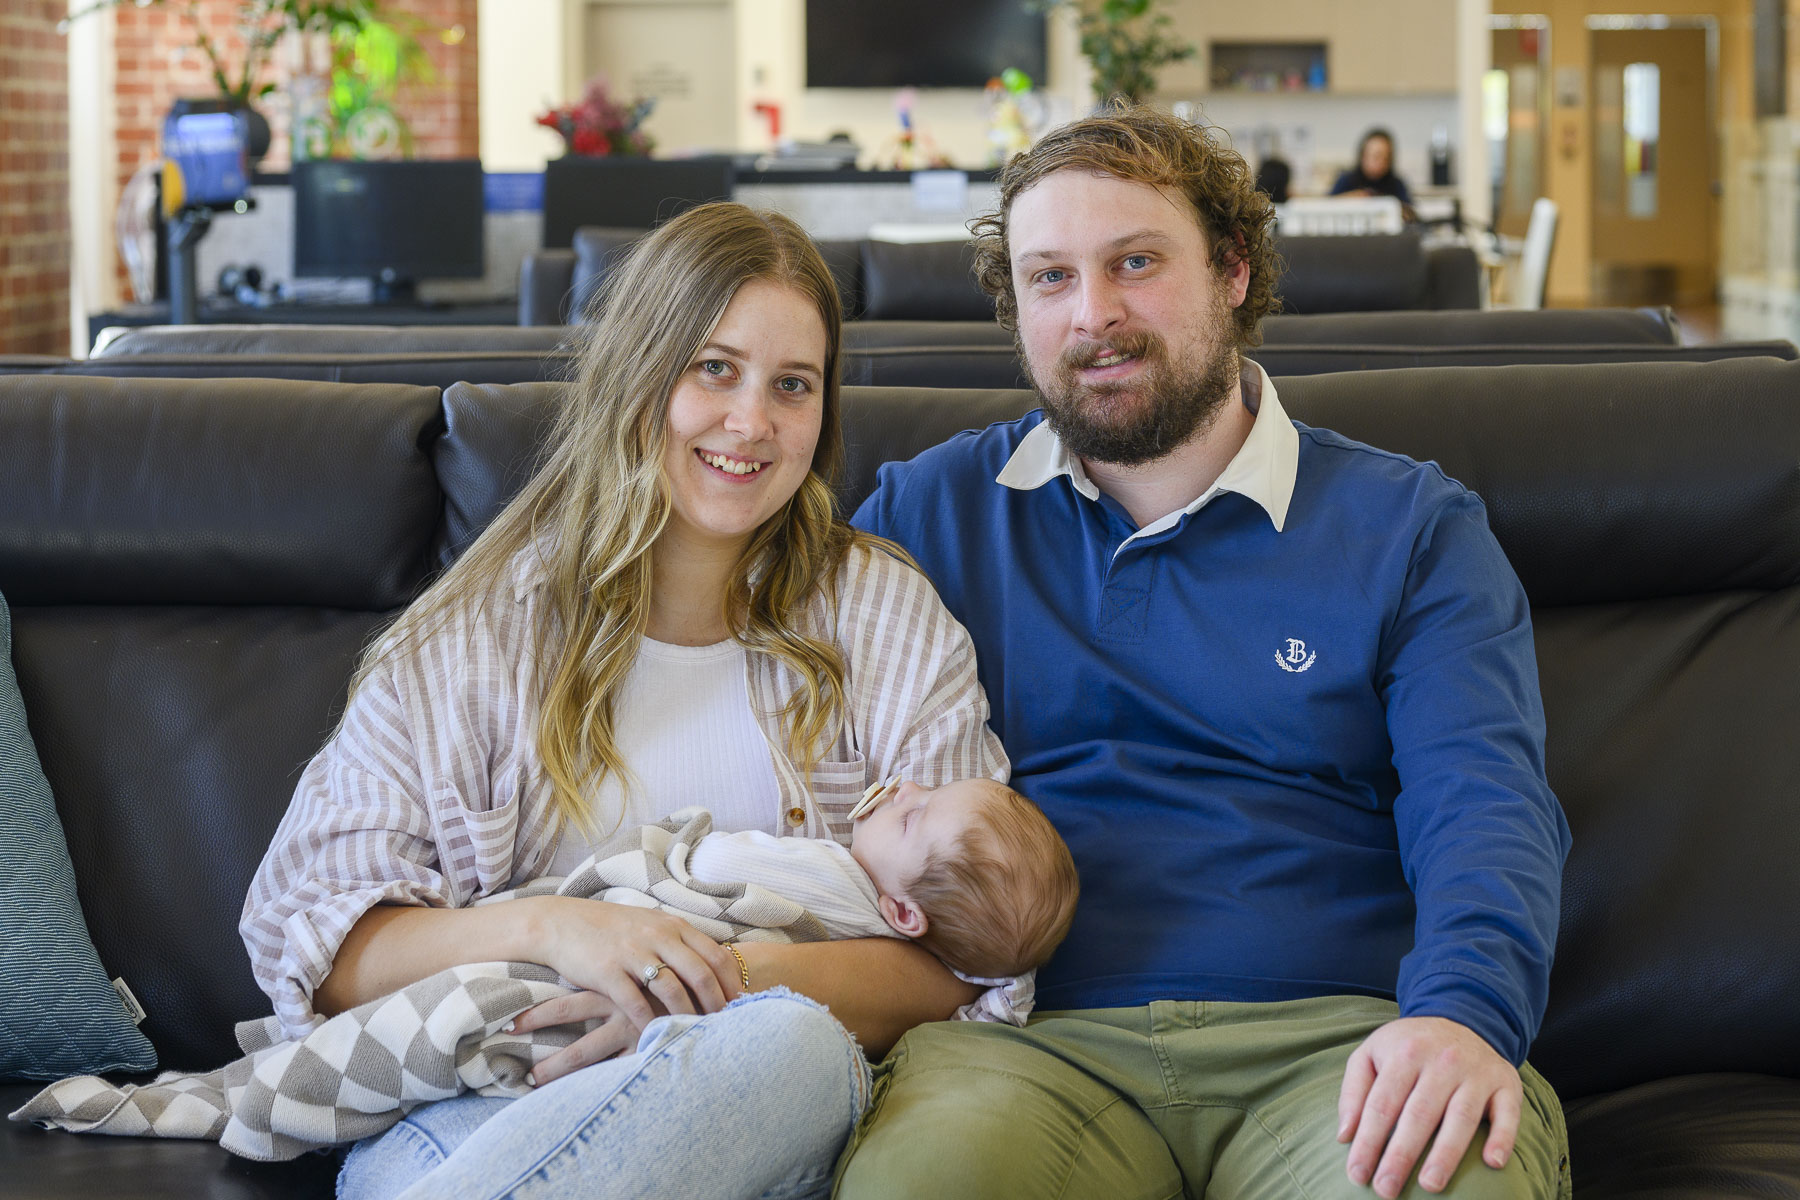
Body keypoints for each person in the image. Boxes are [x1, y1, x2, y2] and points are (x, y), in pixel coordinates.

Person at [839, 106, 1573, 1200]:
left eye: (1136, 262)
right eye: (1049, 278)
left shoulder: (1408, 525)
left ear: (1233, 271)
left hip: (1338, 1043)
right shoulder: (929, 512)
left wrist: (1465, 1014)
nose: (1095, 315)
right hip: (1024, 1049)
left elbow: (1485, 800)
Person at [240, 201, 1011, 1200]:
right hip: (488, 1093)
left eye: (793, 386)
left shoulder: (883, 616)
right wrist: (564, 932)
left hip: (751, 1096)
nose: (752, 423)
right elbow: (319, 940)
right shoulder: (482, 628)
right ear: (640, 372)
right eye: (713, 369)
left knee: (795, 1051)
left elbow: (965, 952)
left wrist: (703, 991)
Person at [690, 776, 1078, 978]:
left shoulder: (839, 882)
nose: (906, 788)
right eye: (931, 790)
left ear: (904, 914)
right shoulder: (894, 936)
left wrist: (679, 840)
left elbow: (713, 863)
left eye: (912, 817)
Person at [1332, 126, 1415, 206]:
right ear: (1363, 155)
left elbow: (1411, 211)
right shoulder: (1347, 180)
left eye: (1386, 157)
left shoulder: (1396, 184)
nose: (1381, 162)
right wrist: (1349, 198)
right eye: (1377, 156)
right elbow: (1326, 204)